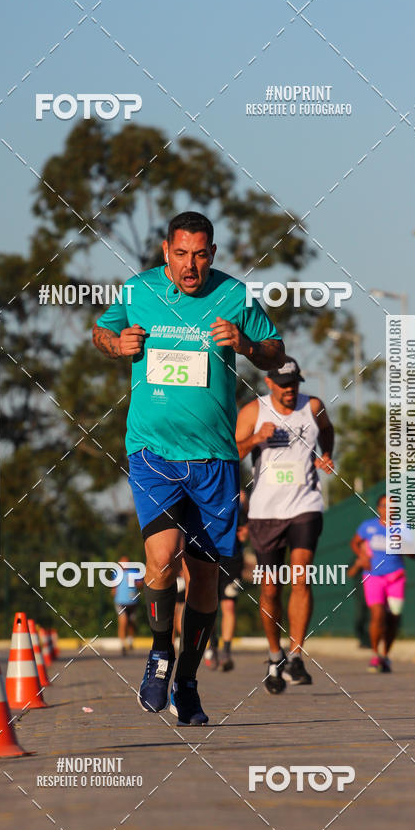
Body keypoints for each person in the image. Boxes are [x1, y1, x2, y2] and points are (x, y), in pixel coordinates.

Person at [93, 210, 285, 725]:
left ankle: (188, 682)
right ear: (166, 251)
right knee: (161, 557)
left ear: (212, 254)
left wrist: (245, 345)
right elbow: (102, 331)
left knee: (204, 578)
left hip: (215, 458)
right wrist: (117, 344)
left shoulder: (234, 296)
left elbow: (275, 352)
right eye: (181, 254)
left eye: (200, 255)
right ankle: (160, 654)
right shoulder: (138, 291)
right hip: (153, 453)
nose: (190, 265)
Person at [236, 358, 334, 694]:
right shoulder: (253, 411)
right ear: (269, 383)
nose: (290, 390)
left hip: (305, 505)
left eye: (294, 384)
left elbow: (327, 430)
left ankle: (295, 656)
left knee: (301, 574)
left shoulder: (313, 406)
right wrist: (256, 439)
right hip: (266, 511)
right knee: (270, 588)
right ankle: (274, 654)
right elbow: (232, 452)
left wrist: (326, 454)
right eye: (284, 385)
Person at [351, 495, 414, 673]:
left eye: (392, 506)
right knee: (377, 614)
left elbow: (414, 555)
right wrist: (362, 556)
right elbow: (355, 543)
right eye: (385, 505)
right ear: (379, 508)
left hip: (396, 576)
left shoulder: (403, 528)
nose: (389, 509)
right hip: (373, 576)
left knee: (394, 617)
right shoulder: (368, 526)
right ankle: (375, 654)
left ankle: (386, 655)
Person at [204, 488, 249, 672]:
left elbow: (246, 526)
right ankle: (211, 645)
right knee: (208, 606)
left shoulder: (238, 497)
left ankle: (227, 651)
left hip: (232, 560)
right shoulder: (204, 492)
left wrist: (246, 529)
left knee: (228, 605)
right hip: (208, 557)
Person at [113, 556, 142, 655]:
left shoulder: (134, 572)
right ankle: (122, 644)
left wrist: (136, 583)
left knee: (131, 622)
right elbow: (114, 587)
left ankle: (130, 640)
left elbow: (141, 584)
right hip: (120, 602)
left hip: (133, 602)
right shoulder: (116, 573)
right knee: (123, 621)